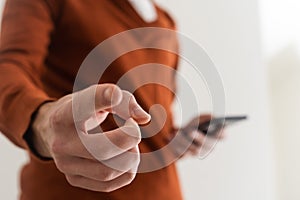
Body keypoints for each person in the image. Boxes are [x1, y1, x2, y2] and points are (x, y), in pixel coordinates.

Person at [0, 0, 223, 199]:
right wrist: (44, 124)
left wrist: (179, 140)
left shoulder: (166, 23)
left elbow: (152, 122)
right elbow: (8, 71)